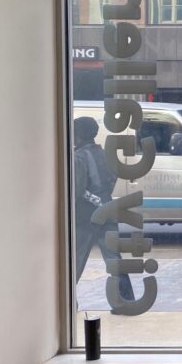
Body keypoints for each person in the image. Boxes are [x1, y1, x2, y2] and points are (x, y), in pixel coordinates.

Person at [72, 116, 134, 303]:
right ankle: (125, 301)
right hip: (108, 210)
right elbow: (111, 179)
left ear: (78, 135)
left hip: (85, 217)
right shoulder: (105, 154)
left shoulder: (78, 157)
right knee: (114, 259)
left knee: (76, 260)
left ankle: (69, 302)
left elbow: (77, 189)